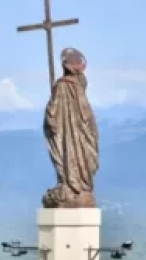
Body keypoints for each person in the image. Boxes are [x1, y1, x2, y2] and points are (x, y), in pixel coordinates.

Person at [42, 47, 100, 208]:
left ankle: (75, 184)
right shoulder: (66, 86)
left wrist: (51, 118)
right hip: (76, 130)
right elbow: (57, 113)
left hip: (75, 131)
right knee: (76, 151)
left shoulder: (64, 86)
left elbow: (52, 113)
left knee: (75, 151)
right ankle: (72, 183)